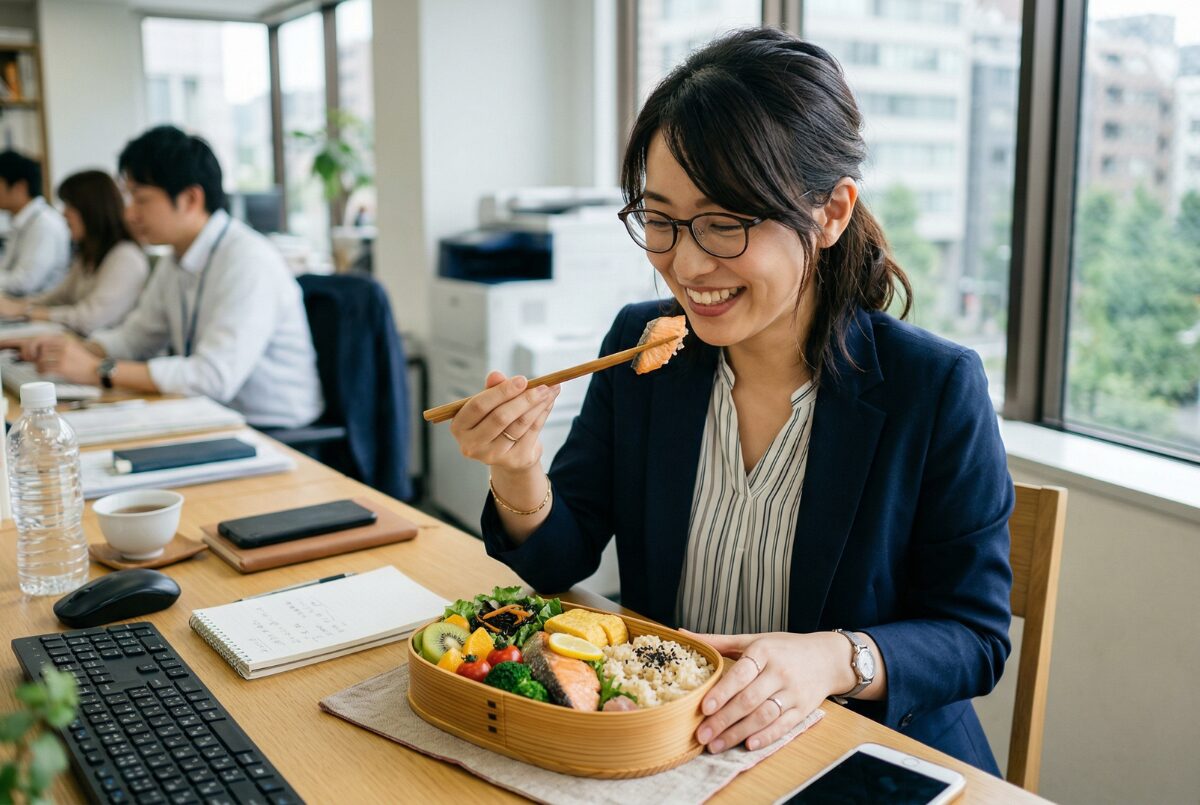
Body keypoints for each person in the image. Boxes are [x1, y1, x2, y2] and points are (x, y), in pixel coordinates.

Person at [449, 29, 1014, 774]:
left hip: (856, 756)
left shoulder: (932, 387)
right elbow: (560, 558)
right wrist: (519, 470)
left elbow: (974, 635)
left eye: (724, 223)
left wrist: (833, 658)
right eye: (660, 220)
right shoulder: (642, 351)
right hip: (678, 747)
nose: (685, 263)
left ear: (831, 212)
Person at [7, 126, 323, 429]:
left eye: (140, 199)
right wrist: (74, 349)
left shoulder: (247, 260)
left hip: (273, 430)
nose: (129, 213)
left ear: (190, 199)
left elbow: (213, 377)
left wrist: (98, 370)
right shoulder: (176, 259)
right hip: (210, 414)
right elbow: (135, 339)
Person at [0, 170, 148, 335]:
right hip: (85, 340)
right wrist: (17, 305)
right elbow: (57, 297)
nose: (64, 213)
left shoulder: (125, 256)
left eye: (70, 205)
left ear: (91, 209)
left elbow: (90, 318)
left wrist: (25, 311)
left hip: (105, 345)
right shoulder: (89, 254)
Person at [0, 150, 71, 296]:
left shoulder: (44, 224)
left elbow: (25, 282)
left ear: (20, 187)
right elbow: (6, 269)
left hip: (36, 305)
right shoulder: (22, 222)